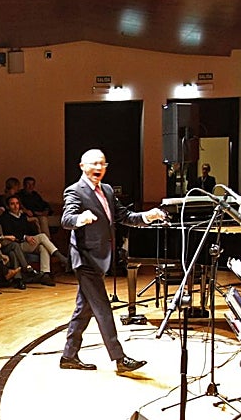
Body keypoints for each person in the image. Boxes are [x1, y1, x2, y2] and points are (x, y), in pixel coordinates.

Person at [60, 149, 166, 374]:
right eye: (93, 164)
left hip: (101, 257)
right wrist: (80, 218)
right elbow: (66, 219)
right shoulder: (75, 191)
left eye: (102, 164)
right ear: (82, 166)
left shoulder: (107, 190)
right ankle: (119, 358)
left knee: (84, 308)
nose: (98, 168)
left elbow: (124, 216)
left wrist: (148, 216)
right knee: (102, 308)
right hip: (85, 258)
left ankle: (69, 356)